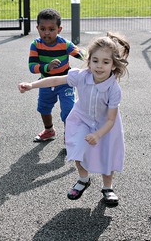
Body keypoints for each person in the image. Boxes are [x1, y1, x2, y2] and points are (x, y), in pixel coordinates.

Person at [19, 32, 130, 206]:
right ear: (89, 60)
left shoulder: (113, 89)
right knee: (77, 148)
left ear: (114, 65)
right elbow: (56, 79)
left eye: (106, 62)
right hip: (82, 120)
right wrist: (32, 85)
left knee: (106, 156)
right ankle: (83, 179)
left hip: (105, 126)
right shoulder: (81, 75)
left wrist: (98, 135)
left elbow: (110, 119)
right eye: (95, 61)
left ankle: (108, 188)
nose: (99, 66)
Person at [27, 8, 84, 142]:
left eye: (51, 29)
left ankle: (68, 135)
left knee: (68, 109)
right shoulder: (35, 45)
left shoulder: (64, 44)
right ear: (37, 28)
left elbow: (81, 54)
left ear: (59, 29)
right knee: (43, 108)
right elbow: (32, 67)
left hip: (65, 82)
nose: (46, 32)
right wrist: (47, 67)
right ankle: (49, 130)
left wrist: (97, 58)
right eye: (43, 28)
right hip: (46, 82)